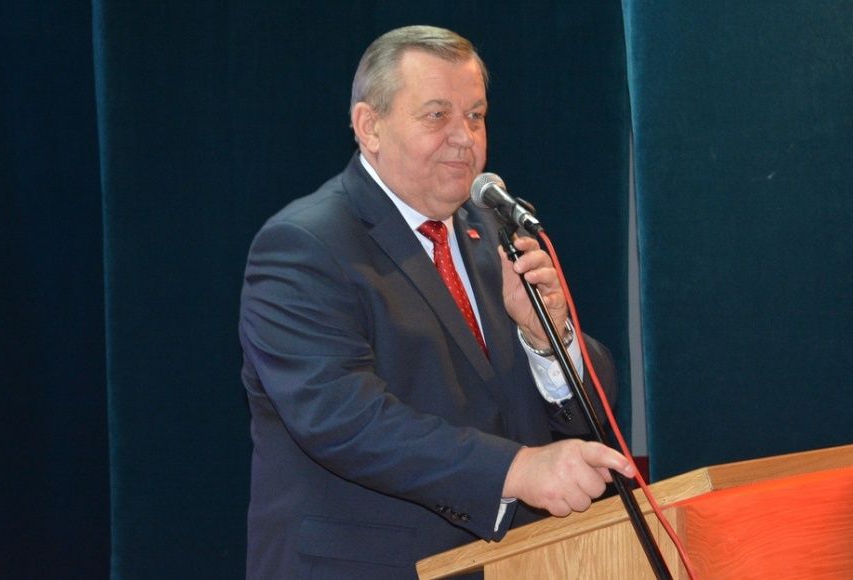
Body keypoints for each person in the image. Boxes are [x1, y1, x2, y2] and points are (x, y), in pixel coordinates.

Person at [239, 25, 634, 578]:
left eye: (475, 115)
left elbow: (593, 404)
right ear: (369, 127)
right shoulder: (304, 246)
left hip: (512, 562)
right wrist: (516, 470)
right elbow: (343, 419)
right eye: (437, 115)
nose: (464, 137)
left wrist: (550, 340)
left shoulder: (492, 229)